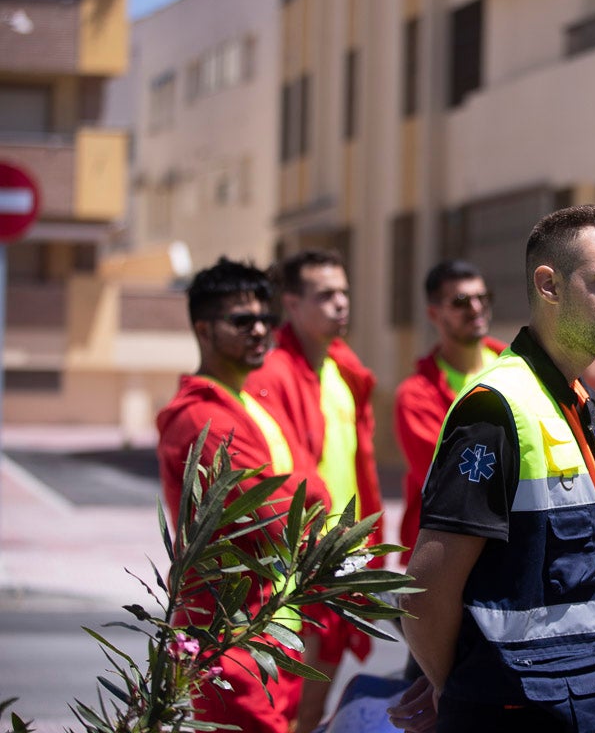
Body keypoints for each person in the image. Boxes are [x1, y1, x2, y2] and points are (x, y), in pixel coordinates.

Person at [389, 205, 595, 733]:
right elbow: (425, 592)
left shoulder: (579, 404)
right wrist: (456, 689)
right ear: (548, 286)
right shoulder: (497, 407)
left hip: (591, 706)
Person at [156, 257, 331, 733]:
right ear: (203, 329)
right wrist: (303, 489)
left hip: (272, 622)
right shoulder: (200, 418)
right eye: (241, 320)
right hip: (223, 634)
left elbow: (317, 493)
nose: (259, 330)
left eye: (265, 319)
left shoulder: (253, 404)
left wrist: (301, 489)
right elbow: (278, 518)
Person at [244, 249, 384, 733]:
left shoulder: (342, 370)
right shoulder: (271, 374)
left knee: (315, 710)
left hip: (343, 557)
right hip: (298, 563)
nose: (341, 303)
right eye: (325, 295)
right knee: (283, 704)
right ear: (292, 304)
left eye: (344, 292)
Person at [393, 259, 506, 566]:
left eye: (482, 298)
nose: (476, 307)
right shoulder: (416, 396)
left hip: (508, 548)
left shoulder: (515, 370)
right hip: (443, 556)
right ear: (433, 313)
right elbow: (448, 481)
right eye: (460, 301)